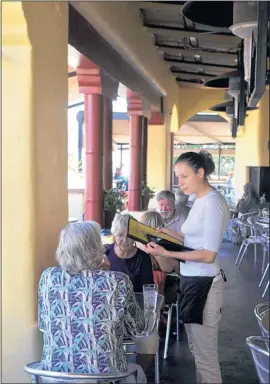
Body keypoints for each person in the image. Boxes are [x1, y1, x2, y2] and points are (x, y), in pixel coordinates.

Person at [145, 151, 230, 384]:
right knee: (198, 351)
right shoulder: (199, 200)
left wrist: (167, 252)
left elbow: (209, 254)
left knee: (205, 357)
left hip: (205, 285)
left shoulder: (212, 203)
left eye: (184, 176)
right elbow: (194, 240)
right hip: (193, 282)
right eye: (177, 176)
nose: (179, 182)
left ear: (200, 173)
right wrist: (167, 233)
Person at [38, 221, 146, 383]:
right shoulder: (117, 281)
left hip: (54, 377)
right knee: (139, 374)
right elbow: (136, 328)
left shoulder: (48, 277)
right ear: (96, 247)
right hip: (106, 378)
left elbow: (43, 324)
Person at [106, 213, 157, 373]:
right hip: (108, 314)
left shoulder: (143, 258)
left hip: (134, 314)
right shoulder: (105, 256)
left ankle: (136, 374)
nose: (125, 240)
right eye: (120, 235)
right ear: (114, 235)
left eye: (129, 236)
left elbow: (147, 292)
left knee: (150, 343)